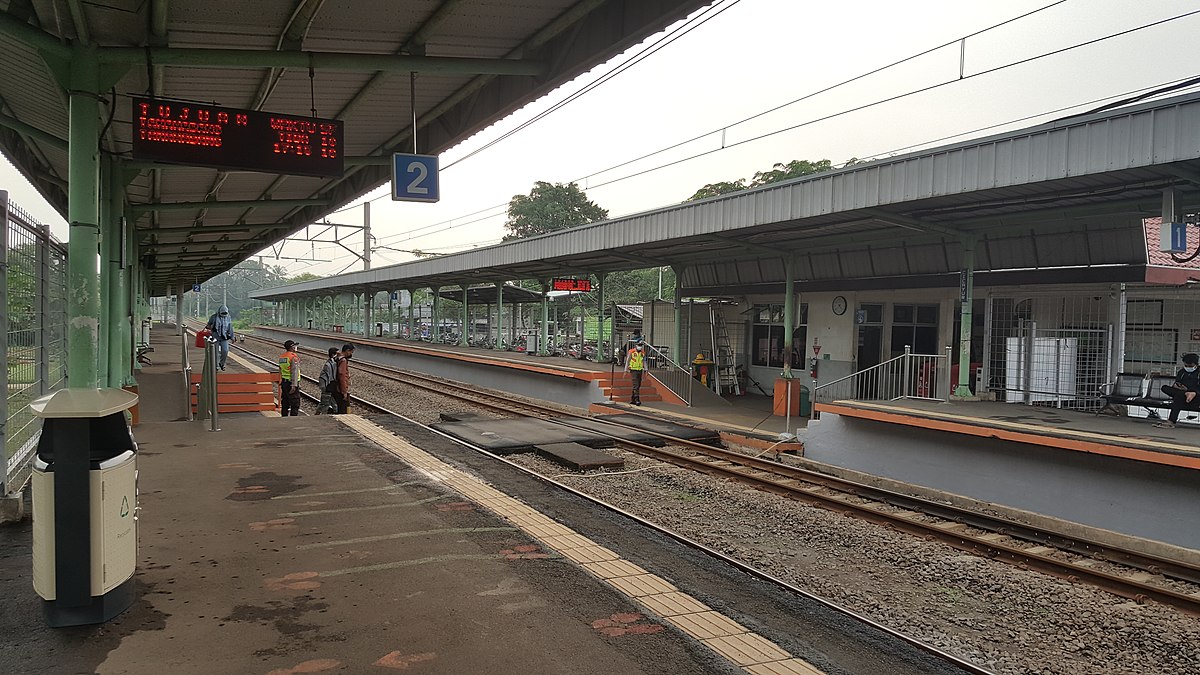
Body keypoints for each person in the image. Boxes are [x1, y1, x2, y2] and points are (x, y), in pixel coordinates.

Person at [1155, 352, 1200, 428]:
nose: (1188, 367)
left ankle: (1171, 421)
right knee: (1165, 388)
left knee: (1178, 397)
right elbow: (1177, 383)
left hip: (1196, 398)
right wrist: (1178, 386)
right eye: (1186, 365)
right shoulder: (1182, 372)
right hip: (1182, 394)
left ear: (1196, 364)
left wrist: (1193, 391)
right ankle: (1187, 394)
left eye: (1190, 366)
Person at [205, 305, 234, 371]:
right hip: (215, 337)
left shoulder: (228, 317)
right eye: (222, 313)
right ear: (219, 312)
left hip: (224, 337)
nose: (224, 314)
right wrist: (210, 327)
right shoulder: (214, 317)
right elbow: (208, 325)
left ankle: (222, 363)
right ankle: (216, 366)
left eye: (225, 313)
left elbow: (230, 327)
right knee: (215, 352)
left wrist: (232, 337)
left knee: (225, 351)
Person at [277, 340, 301, 417]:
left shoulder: (282, 357)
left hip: (284, 382)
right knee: (295, 403)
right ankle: (293, 420)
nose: (295, 347)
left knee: (285, 402)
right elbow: (294, 371)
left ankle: (284, 417)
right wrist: (294, 385)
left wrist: (281, 380)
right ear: (291, 347)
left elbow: (280, 369)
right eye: (294, 346)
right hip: (291, 382)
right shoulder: (293, 357)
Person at [315, 347, 340, 415]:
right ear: (333, 354)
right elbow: (331, 377)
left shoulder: (331, 363)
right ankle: (321, 416)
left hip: (328, 386)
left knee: (326, 402)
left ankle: (317, 414)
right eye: (337, 354)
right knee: (325, 403)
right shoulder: (330, 364)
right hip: (327, 386)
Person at [333, 343, 355, 414]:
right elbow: (342, 376)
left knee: (338, 406)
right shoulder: (343, 360)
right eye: (351, 352)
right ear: (347, 351)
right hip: (339, 388)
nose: (351, 354)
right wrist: (344, 391)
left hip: (335, 385)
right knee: (342, 409)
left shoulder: (337, 357)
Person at [624, 337, 646, 406]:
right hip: (633, 370)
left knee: (638, 385)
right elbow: (627, 361)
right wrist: (625, 370)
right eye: (639, 345)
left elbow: (644, 361)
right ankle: (637, 399)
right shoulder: (631, 352)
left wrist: (646, 369)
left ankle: (633, 399)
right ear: (636, 345)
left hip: (640, 370)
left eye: (641, 345)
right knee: (636, 385)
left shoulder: (642, 353)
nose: (640, 347)